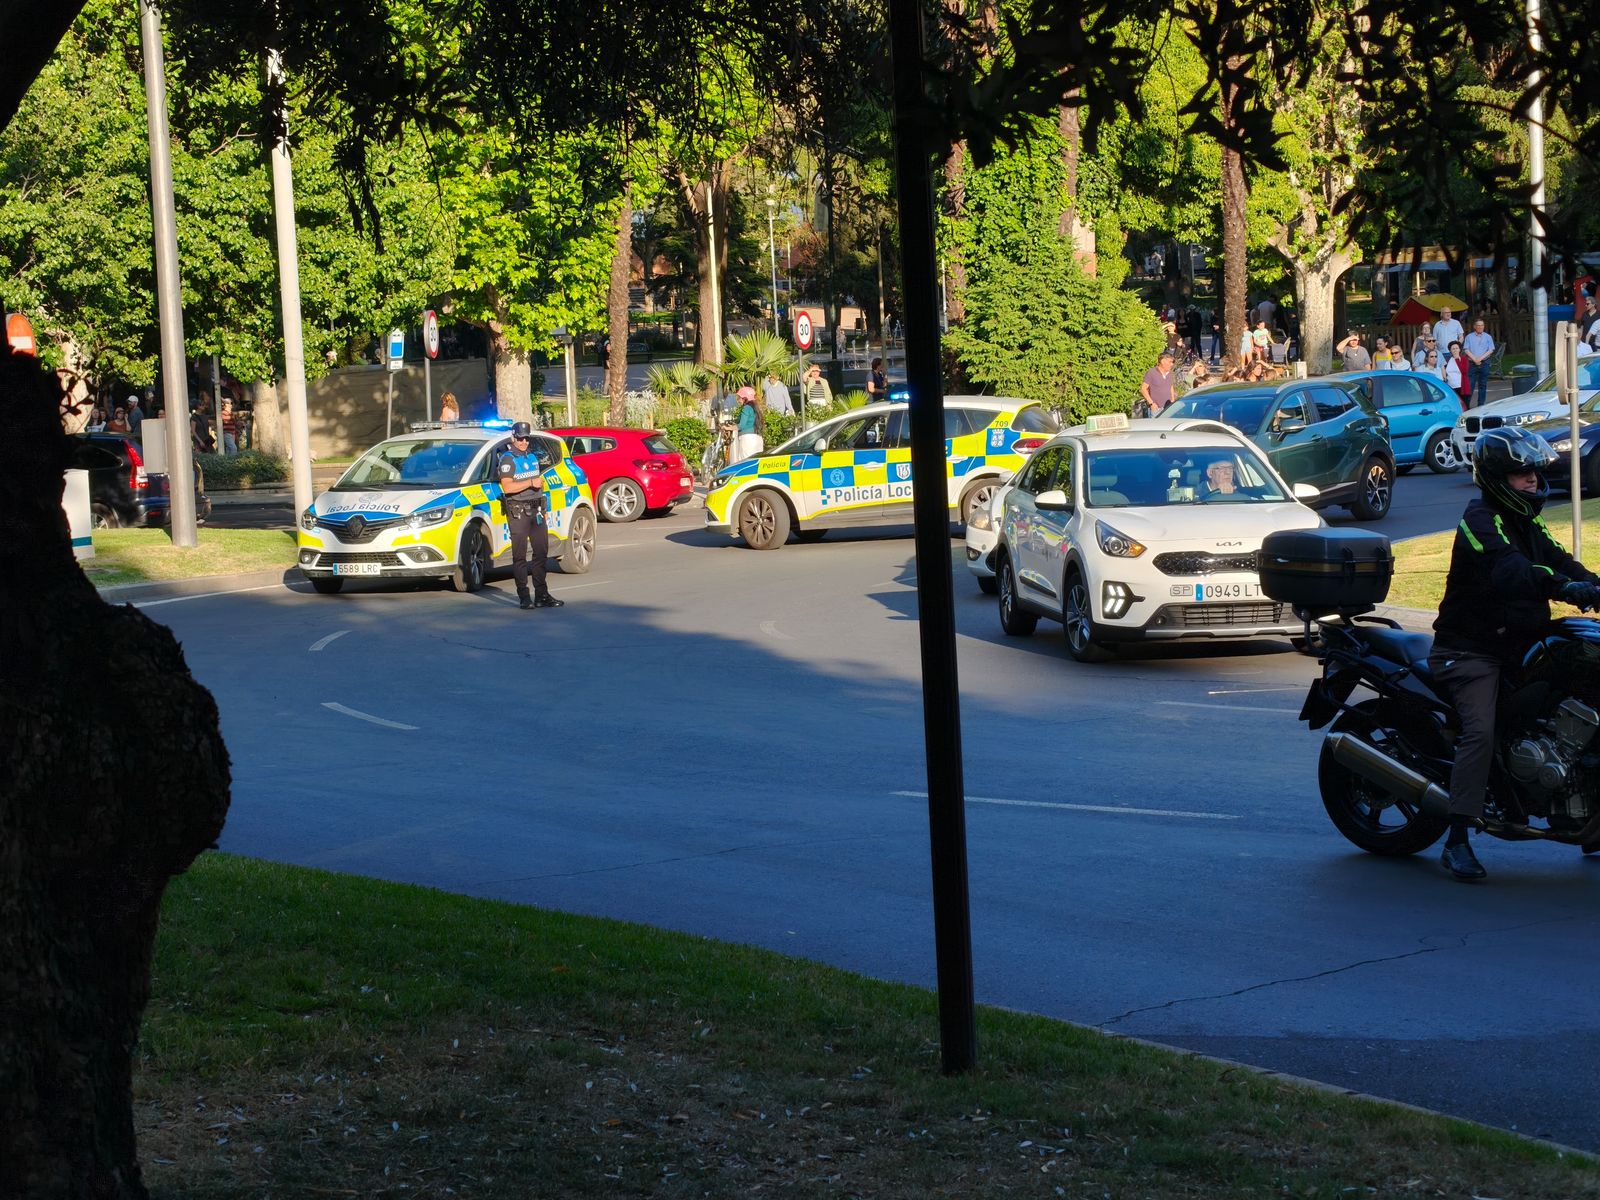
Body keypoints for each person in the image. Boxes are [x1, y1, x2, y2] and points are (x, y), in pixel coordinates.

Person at [1428, 428, 1600, 880]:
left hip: (1521, 645)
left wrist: (1592, 583)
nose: (1533, 480)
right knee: (1481, 731)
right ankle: (1458, 836)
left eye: (1533, 473)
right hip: (1471, 651)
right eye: (1522, 474)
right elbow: (1513, 570)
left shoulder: (1526, 518)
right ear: (1498, 478)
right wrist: (1564, 588)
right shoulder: (1481, 520)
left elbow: (1557, 557)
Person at [498, 422, 562, 610]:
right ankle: (524, 596)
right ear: (513, 438)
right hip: (518, 511)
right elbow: (507, 487)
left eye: (526, 438)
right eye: (520, 438)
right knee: (519, 556)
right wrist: (530, 482)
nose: (524, 441)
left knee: (541, 554)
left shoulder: (532, 457)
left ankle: (542, 594)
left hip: (537, 511)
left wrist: (545, 506)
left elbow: (539, 486)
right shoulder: (508, 459)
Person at [1462, 319, 1494, 408]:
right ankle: (1466, 406)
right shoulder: (1469, 337)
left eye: (1482, 325)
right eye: (1478, 325)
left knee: (1483, 385)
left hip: (1484, 363)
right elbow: (1466, 349)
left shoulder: (1488, 337)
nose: (1480, 327)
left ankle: (1481, 405)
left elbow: (1490, 350)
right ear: (1474, 326)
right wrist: (1475, 359)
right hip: (1472, 363)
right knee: (1470, 385)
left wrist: (1480, 358)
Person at [733, 386, 763, 462]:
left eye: (739, 398)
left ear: (745, 398)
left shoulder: (746, 408)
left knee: (745, 463)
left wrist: (727, 428)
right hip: (758, 438)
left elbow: (741, 426)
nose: (738, 400)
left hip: (747, 440)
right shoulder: (755, 408)